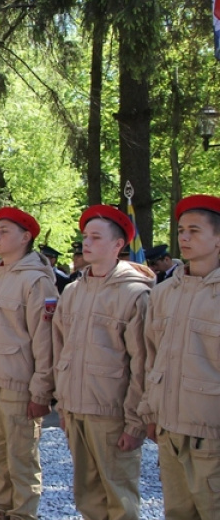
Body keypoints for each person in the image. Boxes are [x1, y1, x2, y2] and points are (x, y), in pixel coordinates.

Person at [52, 205, 150, 520]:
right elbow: (61, 351)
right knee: (87, 497)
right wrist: (63, 406)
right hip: (77, 408)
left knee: (119, 498)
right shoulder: (73, 291)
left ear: (118, 245)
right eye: (85, 237)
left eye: (96, 237)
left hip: (112, 414)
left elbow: (143, 364)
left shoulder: (135, 294)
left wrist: (135, 421)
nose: (87, 243)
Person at [139, 194, 220, 520]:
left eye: (195, 231)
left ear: (218, 238)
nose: (184, 237)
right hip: (170, 432)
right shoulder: (163, 293)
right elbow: (152, 358)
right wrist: (150, 410)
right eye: (181, 230)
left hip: (211, 434)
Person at [0, 207, 56, 520]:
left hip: (19, 387)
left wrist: (41, 391)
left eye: (5, 231)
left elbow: (45, 341)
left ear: (25, 238)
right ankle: (0, 513)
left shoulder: (36, 281)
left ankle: (22, 515)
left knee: (21, 462)